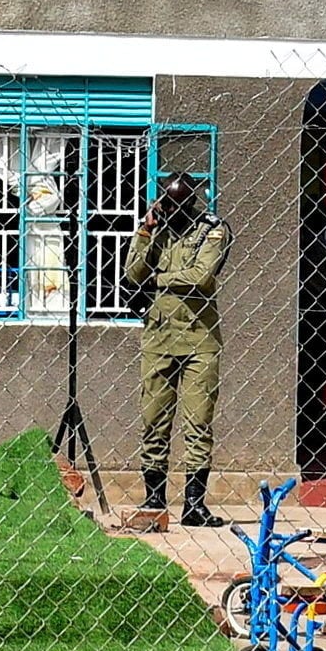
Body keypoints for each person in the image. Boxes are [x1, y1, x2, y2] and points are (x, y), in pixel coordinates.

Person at [125, 171, 229, 524]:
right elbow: (131, 274)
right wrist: (144, 230)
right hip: (159, 337)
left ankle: (194, 505)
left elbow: (201, 277)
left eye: (174, 205)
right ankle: (154, 498)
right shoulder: (157, 232)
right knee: (154, 420)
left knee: (198, 422)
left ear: (189, 204)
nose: (169, 211)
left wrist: (157, 281)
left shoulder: (212, 229)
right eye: (165, 205)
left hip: (200, 339)